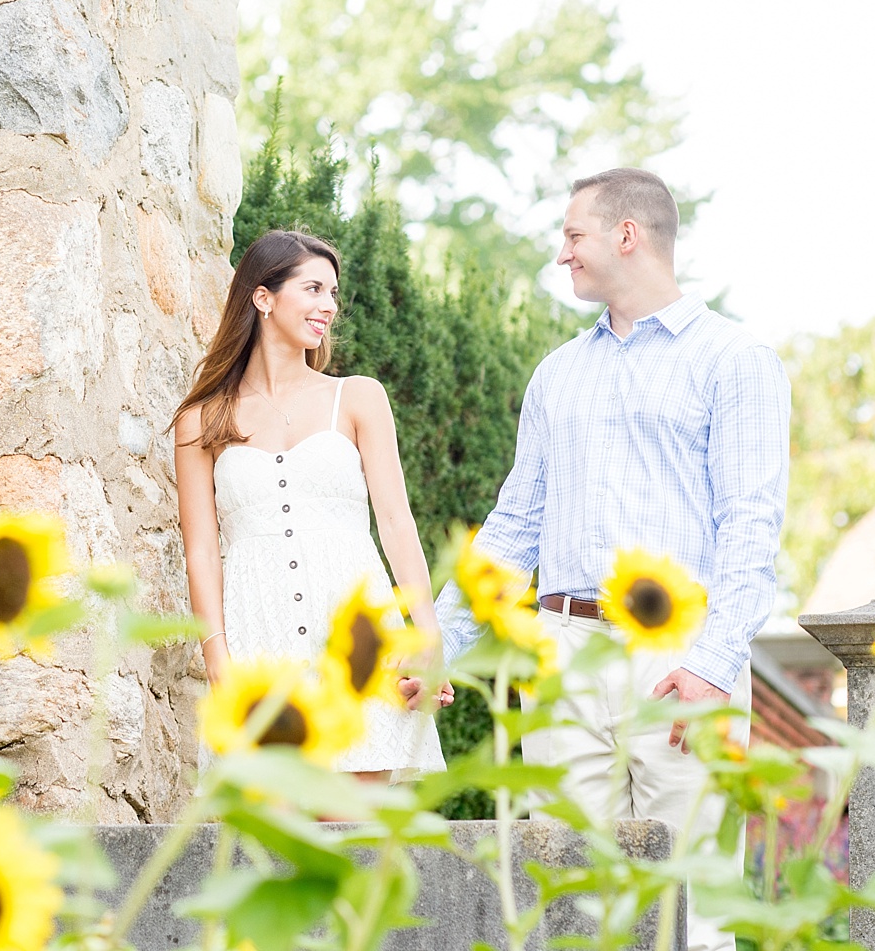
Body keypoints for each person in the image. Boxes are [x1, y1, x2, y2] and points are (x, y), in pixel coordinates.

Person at [434, 168, 790, 951]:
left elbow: (751, 527)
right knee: (567, 891)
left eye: (572, 236)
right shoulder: (557, 374)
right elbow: (514, 525)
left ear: (626, 235)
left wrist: (714, 662)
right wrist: (440, 642)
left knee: (696, 898)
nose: (563, 255)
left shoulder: (735, 360)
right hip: (563, 650)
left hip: (682, 655)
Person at [174, 229, 448, 780]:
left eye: (333, 293)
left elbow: (396, 523)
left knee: (360, 845)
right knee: (271, 843)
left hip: (358, 634)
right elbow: (201, 551)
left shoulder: (359, 397)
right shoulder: (201, 421)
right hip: (258, 639)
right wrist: (217, 661)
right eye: (314, 288)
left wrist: (427, 637)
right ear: (263, 296)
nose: (330, 306)